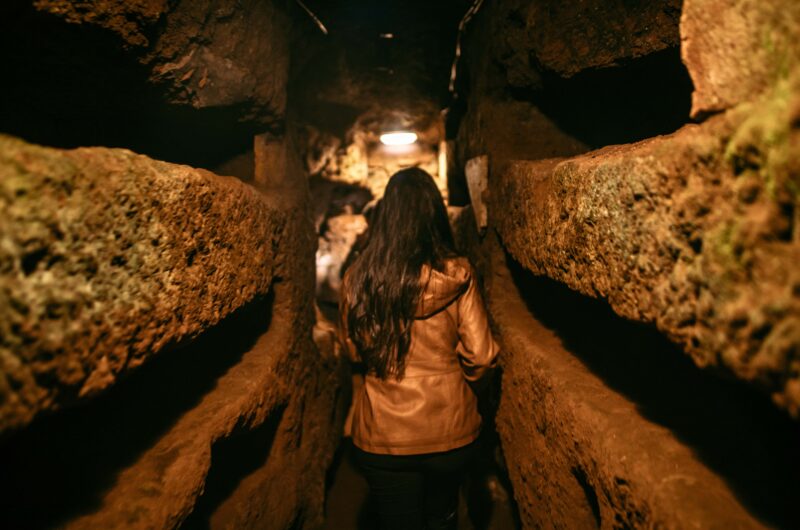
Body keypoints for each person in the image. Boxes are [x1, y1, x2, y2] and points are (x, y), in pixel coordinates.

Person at [339, 167, 500, 530]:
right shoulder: (458, 275)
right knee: (442, 518)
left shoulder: (358, 278)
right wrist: (464, 392)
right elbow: (482, 355)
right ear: (434, 213)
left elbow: (352, 350)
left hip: (383, 433)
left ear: (386, 217)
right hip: (450, 429)